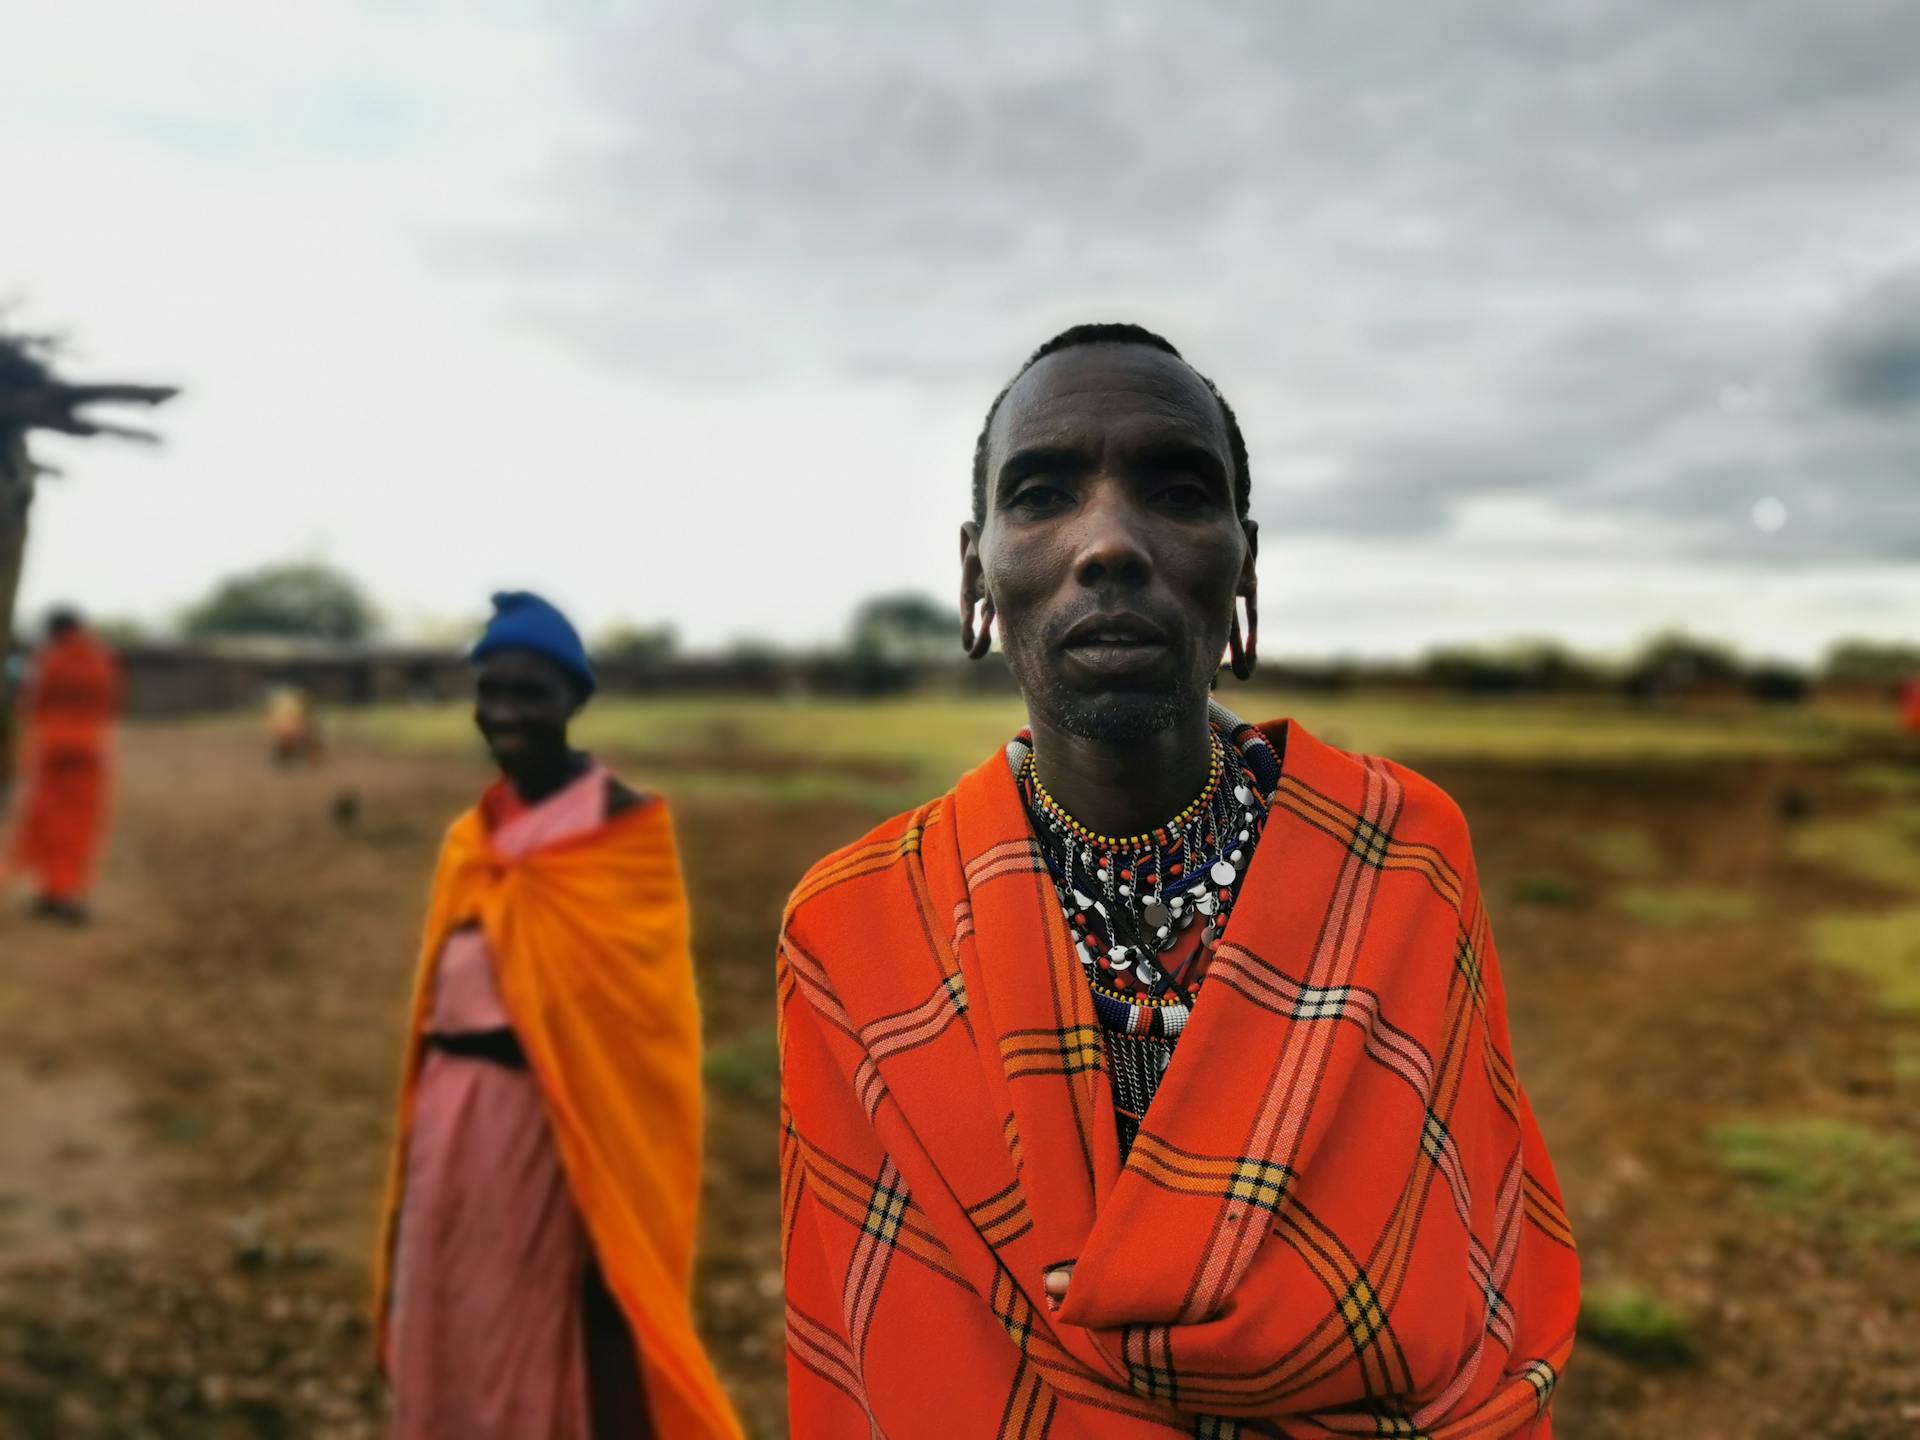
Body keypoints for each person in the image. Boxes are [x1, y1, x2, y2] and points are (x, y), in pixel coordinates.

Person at [778, 325, 1579, 1436]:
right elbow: (881, 1364)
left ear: (1244, 561)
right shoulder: (852, 930)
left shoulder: (1399, 858)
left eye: (1178, 492)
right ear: (977, 570)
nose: (1108, 542)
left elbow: (1476, 1273)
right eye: (1044, 493)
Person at [372, 592, 741, 1440]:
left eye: (529, 692)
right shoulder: (475, 836)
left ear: (573, 699)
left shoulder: (618, 832)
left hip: (547, 1128)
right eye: (491, 691)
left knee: (529, 1325)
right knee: (446, 1314)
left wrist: (594, 1147)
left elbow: (641, 1032)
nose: (505, 713)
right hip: (448, 1118)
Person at [6, 608, 120, 923]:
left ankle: (52, 890)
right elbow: (111, 700)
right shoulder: (99, 658)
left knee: (47, 819)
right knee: (77, 824)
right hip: (88, 748)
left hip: (50, 747)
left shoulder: (48, 659)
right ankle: (62, 893)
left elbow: (31, 701)